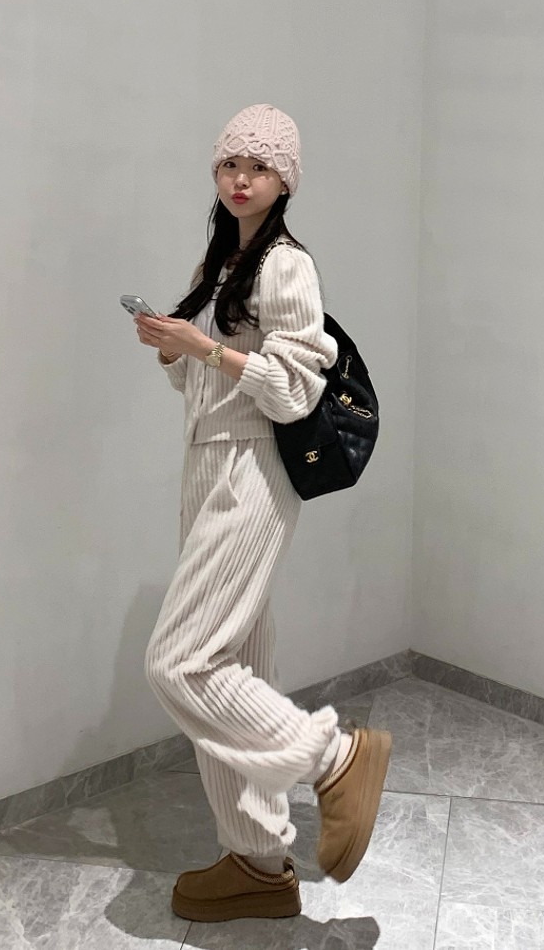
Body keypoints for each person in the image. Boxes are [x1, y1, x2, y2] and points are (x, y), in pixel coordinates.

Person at [132, 102, 391, 923]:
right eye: (229, 163)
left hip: (252, 471)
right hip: (207, 463)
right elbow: (208, 381)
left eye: (260, 166)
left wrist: (205, 347)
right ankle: (257, 859)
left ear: (286, 181)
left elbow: (293, 391)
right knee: (233, 658)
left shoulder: (286, 266)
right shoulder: (223, 264)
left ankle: (334, 757)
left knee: (181, 662)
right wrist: (177, 350)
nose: (241, 178)